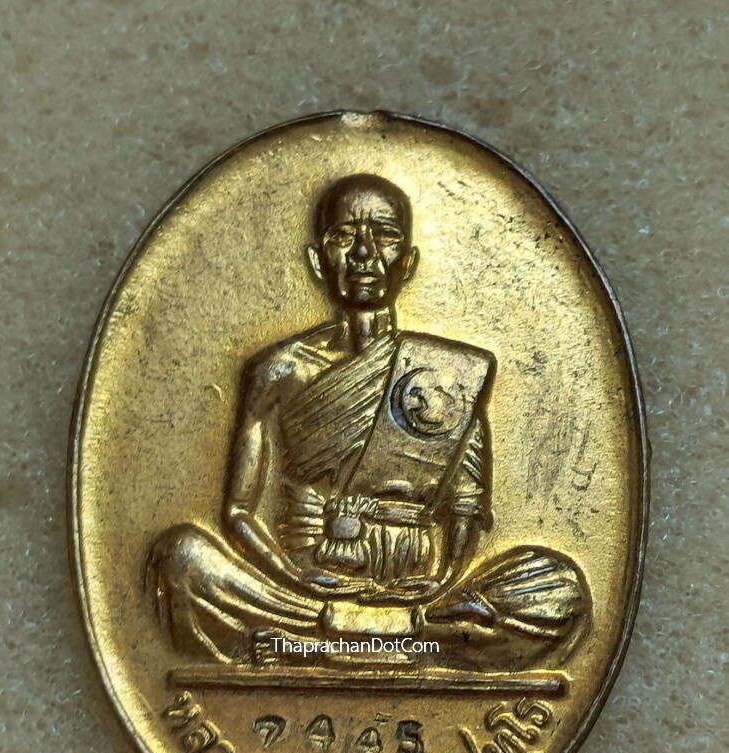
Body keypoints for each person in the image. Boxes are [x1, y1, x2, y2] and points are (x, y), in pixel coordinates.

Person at [147, 174, 586, 665]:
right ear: (319, 261)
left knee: (558, 589)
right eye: (344, 235)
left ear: (408, 262)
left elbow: (466, 508)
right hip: (305, 590)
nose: (363, 253)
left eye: (385, 235)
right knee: (181, 560)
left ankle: (326, 644)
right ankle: (402, 641)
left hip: (422, 592)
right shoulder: (279, 371)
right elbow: (238, 512)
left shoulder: (446, 371)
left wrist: (443, 581)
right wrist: (297, 577)